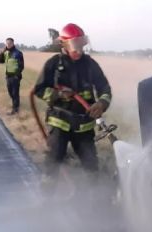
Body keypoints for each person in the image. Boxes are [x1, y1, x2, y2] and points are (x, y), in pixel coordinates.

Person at [33, 23, 111, 175]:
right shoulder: (54, 64)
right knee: (53, 163)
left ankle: (94, 195)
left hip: (84, 126)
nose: (79, 49)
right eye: (75, 44)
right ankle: (47, 196)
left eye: (81, 44)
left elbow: (104, 88)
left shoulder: (90, 64)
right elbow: (39, 89)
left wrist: (102, 103)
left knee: (91, 166)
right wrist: (59, 94)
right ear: (64, 44)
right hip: (59, 123)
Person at [0, 37, 23, 115]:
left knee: (15, 93)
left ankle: (15, 110)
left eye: (9, 43)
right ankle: (16, 104)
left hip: (15, 76)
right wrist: (1, 52)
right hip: (8, 76)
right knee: (10, 92)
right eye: (7, 43)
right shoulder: (6, 53)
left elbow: (21, 66)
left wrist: (17, 75)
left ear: (13, 43)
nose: (8, 45)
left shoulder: (18, 53)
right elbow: (0, 61)